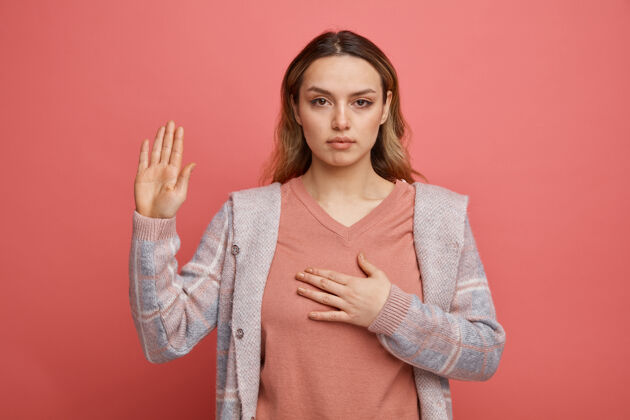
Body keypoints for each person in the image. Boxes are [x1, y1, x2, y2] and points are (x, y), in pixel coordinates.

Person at [129, 30, 506, 420]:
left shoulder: (439, 218)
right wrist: (154, 225)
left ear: (384, 108)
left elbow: (484, 355)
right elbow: (166, 337)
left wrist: (390, 313)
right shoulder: (247, 219)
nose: (341, 121)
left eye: (361, 102)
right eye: (321, 101)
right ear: (295, 108)